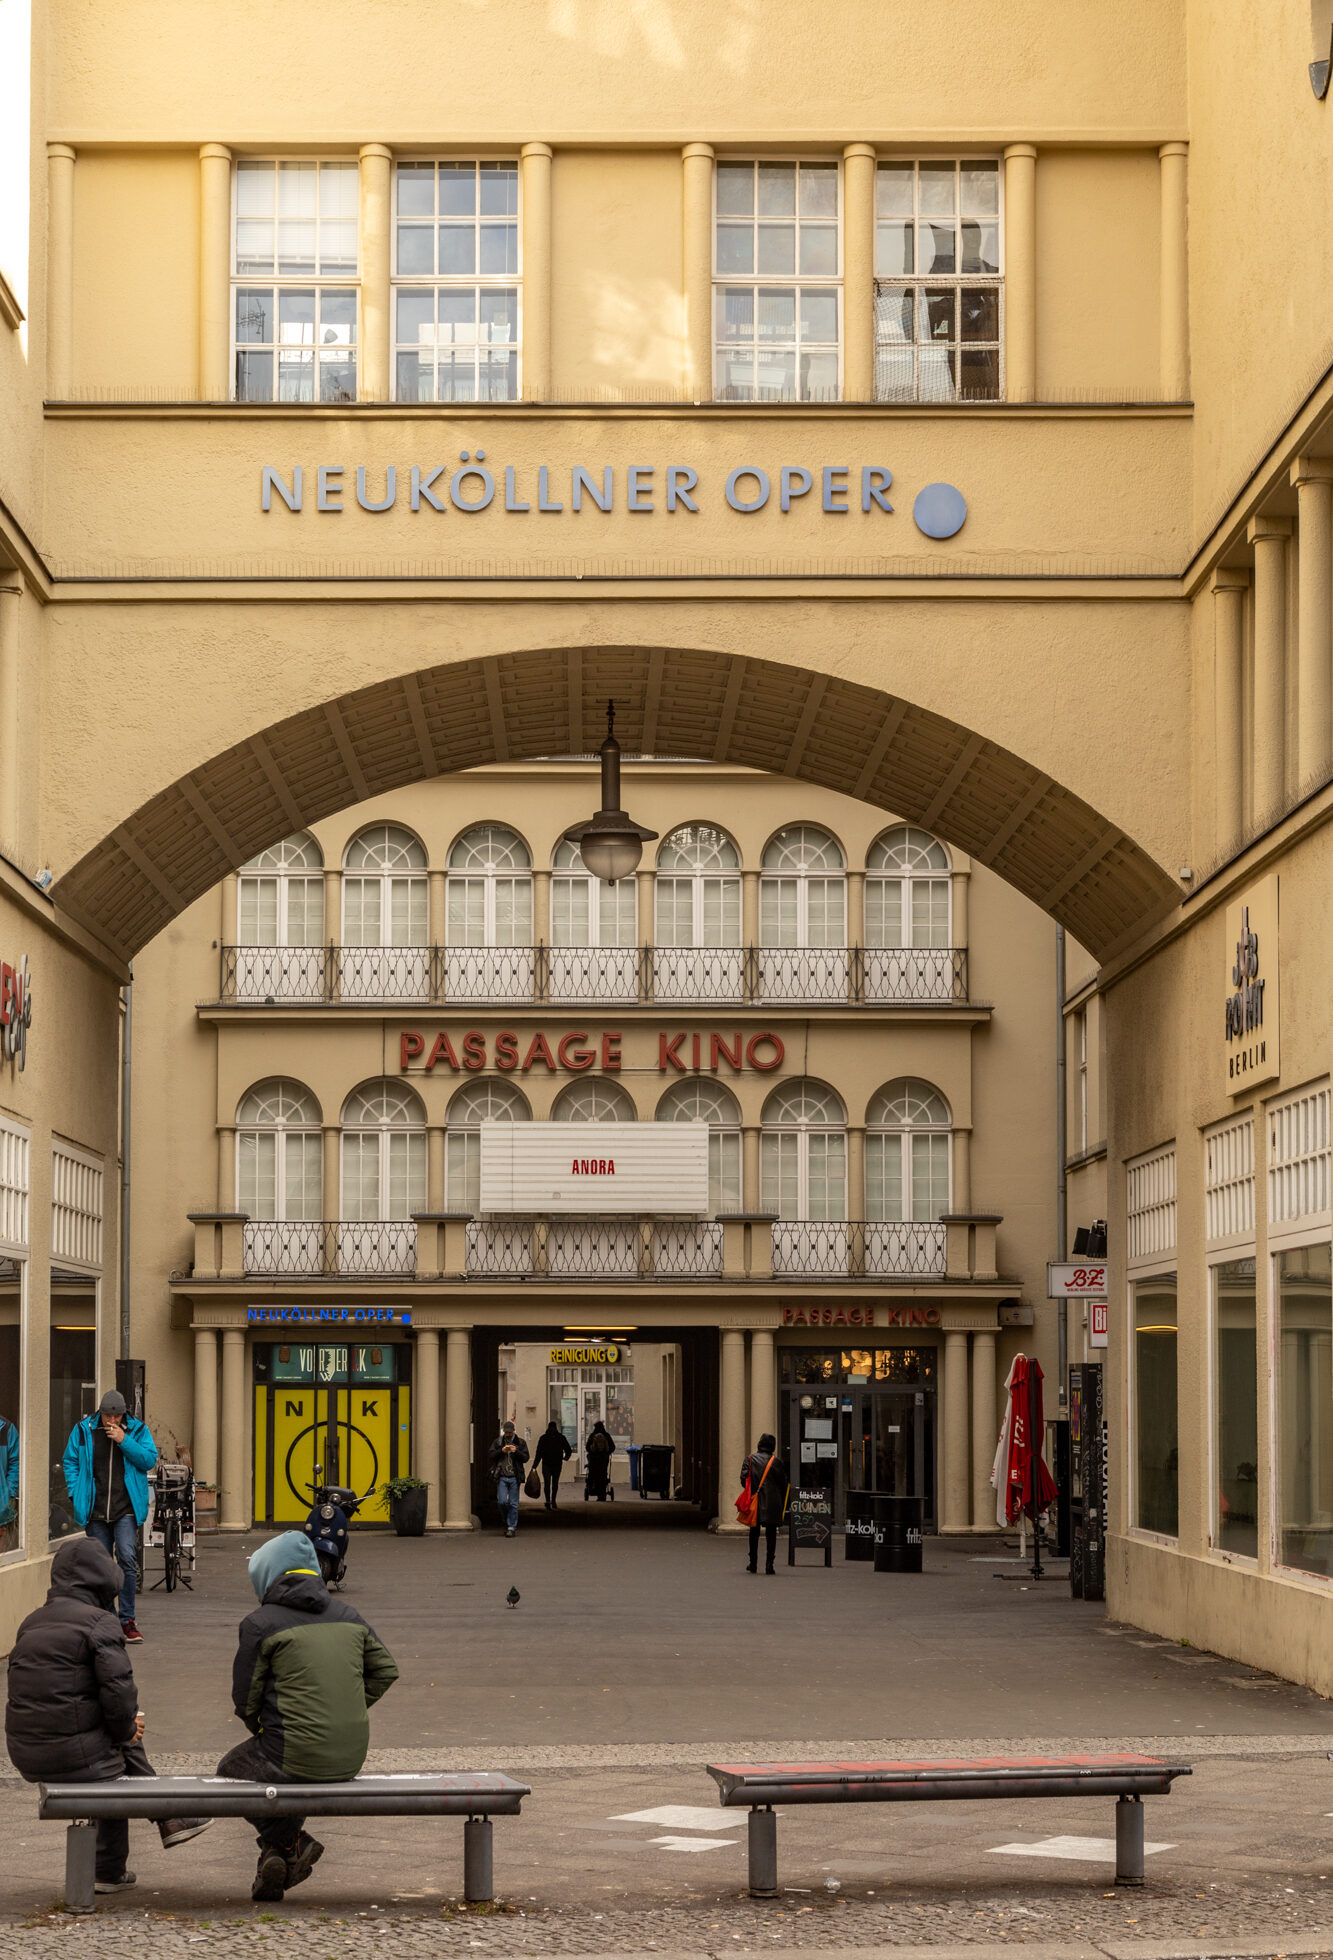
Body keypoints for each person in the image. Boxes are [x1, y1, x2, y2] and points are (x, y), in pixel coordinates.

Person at [5, 1537, 210, 1893]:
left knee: (115, 1743)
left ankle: (162, 1826)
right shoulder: (100, 1623)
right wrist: (128, 1728)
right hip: (74, 1755)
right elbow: (118, 1694)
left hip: (26, 1753)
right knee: (121, 1749)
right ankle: (117, 1861)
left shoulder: (31, 1622)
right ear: (104, 1579)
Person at [220, 1530, 398, 1903]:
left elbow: (245, 1699)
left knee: (231, 1771)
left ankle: (289, 1841)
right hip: (350, 1755)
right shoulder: (349, 1614)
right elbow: (385, 1670)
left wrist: (271, 1725)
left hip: (294, 1750)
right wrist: (342, 1706)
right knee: (287, 1765)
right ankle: (277, 1856)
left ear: (268, 1576)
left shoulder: (259, 1623)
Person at [62, 1388, 157, 1644]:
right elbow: (70, 1461)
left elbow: (149, 1460)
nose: (112, 1421)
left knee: (126, 1558)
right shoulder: (83, 1430)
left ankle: (127, 1621)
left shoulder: (136, 1430)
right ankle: (108, 1619)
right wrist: (75, 1492)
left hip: (125, 1507)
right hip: (95, 1509)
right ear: (100, 1414)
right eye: (108, 1417)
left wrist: (123, 1440)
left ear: (123, 1415)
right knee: (101, 1567)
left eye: (116, 1417)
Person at [740, 1432, 790, 1575]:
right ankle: (769, 1565)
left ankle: (753, 1563)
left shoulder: (750, 1459)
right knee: (771, 1533)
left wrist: (753, 1490)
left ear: (759, 1444)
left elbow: (744, 1479)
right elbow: (783, 1482)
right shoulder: (777, 1462)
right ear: (772, 1446)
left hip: (755, 1501)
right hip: (772, 1502)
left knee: (753, 1532)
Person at [487, 1421, 529, 1536]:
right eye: (506, 1432)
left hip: (515, 1477)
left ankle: (511, 1527)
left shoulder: (520, 1443)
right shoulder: (498, 1442)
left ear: (513, 1431)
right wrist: (501, 1451)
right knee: (502, 1501)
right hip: (502, 1476)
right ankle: (506, 1519)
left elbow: (526, 1458)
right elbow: (491, 1455)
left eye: (510, 1432)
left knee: (513, 1503)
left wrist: (517, 1452)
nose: (508, 1434)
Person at [533, 1421, 572, 1510]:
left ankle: (549, 1500)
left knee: (549, 1483)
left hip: (547, 1463)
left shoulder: (543, 1438)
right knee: (554, 1483)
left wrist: (535, 1465)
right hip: (556, 1463)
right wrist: (566, 1457)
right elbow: (568, 1449)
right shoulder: (561, 1438)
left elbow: (538, 1453)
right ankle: (551, 1501)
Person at [584, 1419, 615, 1502]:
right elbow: (612, 1447)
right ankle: (602, 1495)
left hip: (593, 1460)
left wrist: (592, 1452)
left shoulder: (592, 1435)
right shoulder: (606, 1435)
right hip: (603, 1460)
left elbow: (587, 1447)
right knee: (602, 1475)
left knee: (593, 1474)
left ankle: (592, 1489)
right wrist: (607, 1453)